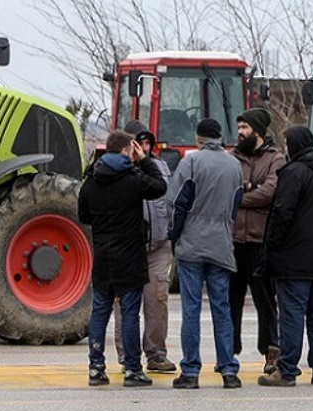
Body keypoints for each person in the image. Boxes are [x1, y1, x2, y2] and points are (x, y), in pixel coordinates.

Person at [78, 130, 167, 388]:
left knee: (100, 312)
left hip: (103, 257)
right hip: (129, 256)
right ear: (129, 150)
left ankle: (96, 367)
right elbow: (160, 186)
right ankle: (132, 369)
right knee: (130, 314)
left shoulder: (91, 182)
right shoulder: (133, 179)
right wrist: (144, 161)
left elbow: (84, 216)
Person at [258, 126, 313, 387]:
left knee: (292, 315)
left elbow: (282, 214)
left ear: (294, 145)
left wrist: (271, 247)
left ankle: (287, 370)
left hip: (293, 259)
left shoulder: (294, 174)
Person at [167, 118, 245, 390]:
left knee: (191, 309)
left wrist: (174, 237)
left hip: (192, 244)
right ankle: (228, 370)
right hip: (221, 244)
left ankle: (190, 370)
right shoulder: (235, 165)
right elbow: (236, 205)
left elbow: (177, 202)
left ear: (199, 138)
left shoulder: (190, 162)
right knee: (221, 308)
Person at [112, 121, 177, 375]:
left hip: (158, 247)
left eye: (148, 142)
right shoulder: (116, 170)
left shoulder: (160, 168)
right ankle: (128, 356)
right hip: (128, 249)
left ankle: (157, 354)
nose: (145, 147)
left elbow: (169, 198)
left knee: (157, 301)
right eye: (139, 143)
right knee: (124, 305)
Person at [229, 108, 284, 374]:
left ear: (258, 131)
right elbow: (227, 191)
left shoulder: (276, 159)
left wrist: (242, 195)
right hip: (234, 240)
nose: (240, 132)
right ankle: (229, 351)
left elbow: (270, 193)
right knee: (232, 298)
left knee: (265, 300)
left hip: (261, 241)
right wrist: (251, 190)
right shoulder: (232, 158)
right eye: (239, 127)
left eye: (245, 128)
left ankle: (271, 350)